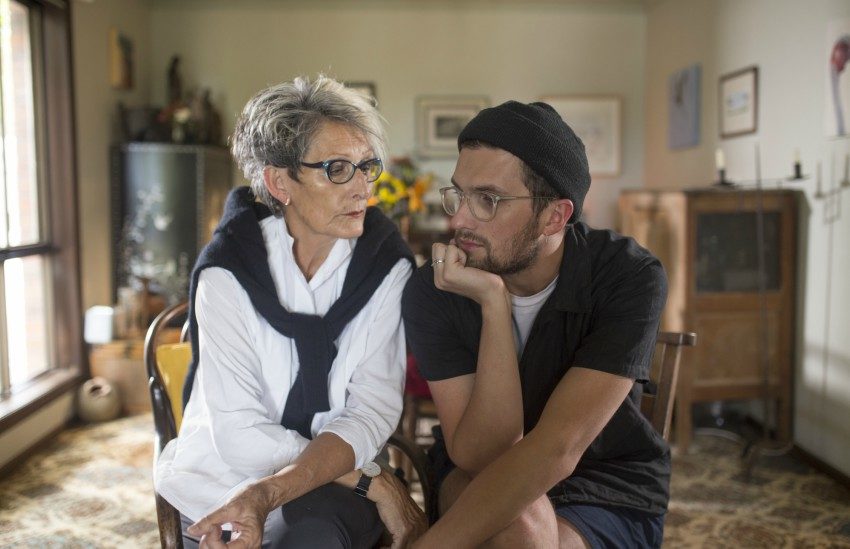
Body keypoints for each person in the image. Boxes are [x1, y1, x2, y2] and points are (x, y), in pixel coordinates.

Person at [154, 75, 425, 548]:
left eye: (367, 167)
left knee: (315, 533)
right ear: (280, 182)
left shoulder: (386, 265)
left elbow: (372, 407)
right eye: (337, 168)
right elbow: (238, 434)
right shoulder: (227, 273)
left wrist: (324, 477)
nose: (363, 188)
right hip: (226, 475)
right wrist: (370, 480)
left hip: (333, 488)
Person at [402, 101, 668, 548]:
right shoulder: (436, 288)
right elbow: (482, 454)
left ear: (555, 217)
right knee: (520, 527)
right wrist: (493, 305)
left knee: (522, 532)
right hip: (472, 472)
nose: (459, 219)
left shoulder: (627, 276)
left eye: (487, 199)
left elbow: (559, 448)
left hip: (605, 483)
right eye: (459, 194)